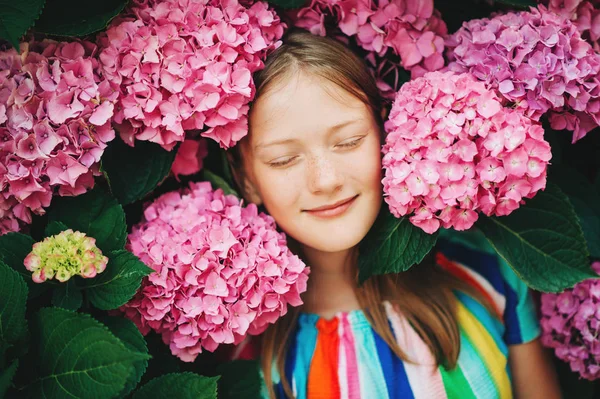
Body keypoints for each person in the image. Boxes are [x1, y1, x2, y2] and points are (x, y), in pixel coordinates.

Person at [226, 30, 561, 399]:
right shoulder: (240, 352)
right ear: (246, 177)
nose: (325, 181)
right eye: (283, 159)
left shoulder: (486, 270)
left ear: (384, 130)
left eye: (349, 141)